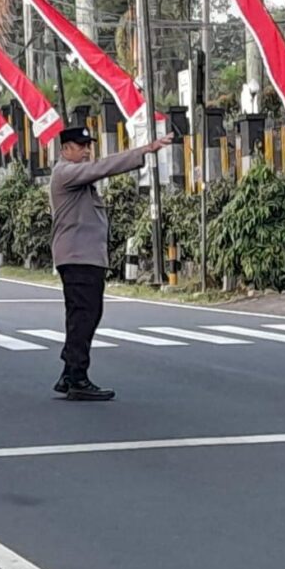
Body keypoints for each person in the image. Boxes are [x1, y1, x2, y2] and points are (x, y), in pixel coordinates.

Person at [50, 126, 170, 401]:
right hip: (78, 258)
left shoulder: (78, 178)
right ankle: (77, 376)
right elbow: (103, 168)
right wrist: (144, 150)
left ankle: (70, 374)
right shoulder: (66, 173)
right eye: (81, 146)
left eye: (88, 146)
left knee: (83, 315)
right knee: (85, 315)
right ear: (65, 149)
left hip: (84, 258)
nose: (87, 151)